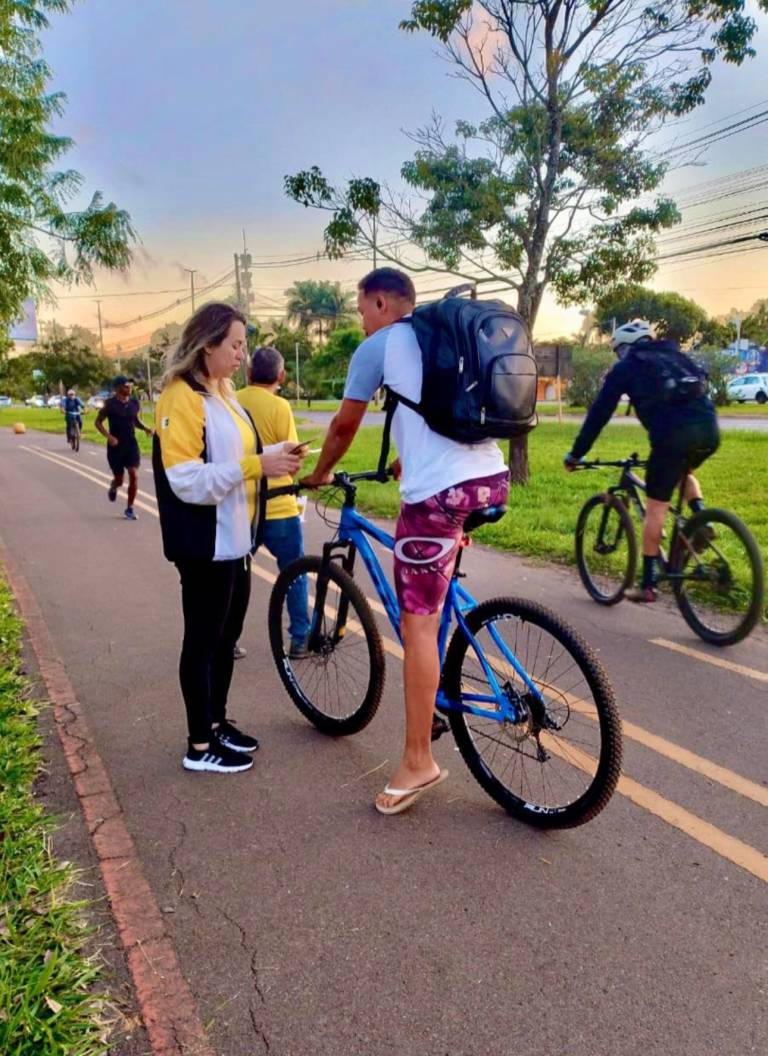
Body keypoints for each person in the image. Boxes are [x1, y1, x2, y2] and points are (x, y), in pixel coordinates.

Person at [301, 268, 509, 815]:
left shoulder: (381, 345)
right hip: (489, 476)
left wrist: (322, 472)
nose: (361, 319)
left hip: (438, 496)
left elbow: (344, 427)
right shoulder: (440, 340)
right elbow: (438, 412)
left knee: (417, 624)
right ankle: (433, 701)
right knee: (433, 597)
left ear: (379, 302)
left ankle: (418, 760)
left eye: (361, 309)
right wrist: (405, 458)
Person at [153, 302, 304, 774]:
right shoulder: (181, 397)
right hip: (204, 546)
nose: (243, 353)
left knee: (225, 639)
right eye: (235, 344)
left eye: (244, 345)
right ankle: (199, 746)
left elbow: (240, 453)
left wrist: (276, 453)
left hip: (236, 541)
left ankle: (216, 723)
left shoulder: (222, 392)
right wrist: (260, 465)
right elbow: (186, 479)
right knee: (201, 642)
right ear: (208, 343)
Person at [564, 320, 720, 602]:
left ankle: (649, 584)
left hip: (672, 436)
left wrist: (576, 453)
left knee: (656, 507)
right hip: (709, 429)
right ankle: (700, 518)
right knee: (683, 470)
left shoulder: (627, 367)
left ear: (623, 348)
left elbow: (600, 413)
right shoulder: (676, 355)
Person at [236, 346, 310, 658]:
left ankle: (227, 640)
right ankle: (299, 639)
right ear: (281, 375)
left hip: (244, 507)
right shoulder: (280, 406)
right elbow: (292, 455)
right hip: (280, 506)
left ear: (249, 373)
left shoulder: (232, 401)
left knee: (236, 576)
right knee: (294, 573)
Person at [94, 375, 153, 521]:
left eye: (130, 385)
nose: (129, 388)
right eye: (126, 386)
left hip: (131, 445)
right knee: (119, 480)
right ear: (118, 388)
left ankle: (130, 508)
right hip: (116, 447)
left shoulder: (134, 402)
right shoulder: (110, 404)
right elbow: (98, 423)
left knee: (134, 474)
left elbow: (134, 419)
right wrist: (109, 437)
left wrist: (145, 428)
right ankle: (114, 487)